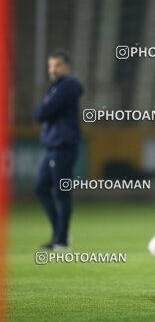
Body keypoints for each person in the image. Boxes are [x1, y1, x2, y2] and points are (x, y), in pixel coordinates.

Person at [34, 49, 83, 251]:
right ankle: (60, 232)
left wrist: (44, 108)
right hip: (54, 146)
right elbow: (42, 112)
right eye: (50, 65)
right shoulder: (57, 88)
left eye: (57, 65)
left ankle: (61, 240)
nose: (53, 69)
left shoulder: (68, 86)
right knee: (41, 187)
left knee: (62, 192)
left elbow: (43, 112)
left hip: (63, 146)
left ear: (67, 67)